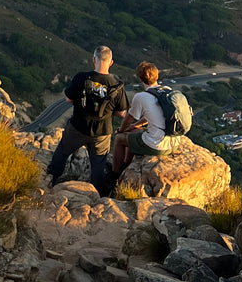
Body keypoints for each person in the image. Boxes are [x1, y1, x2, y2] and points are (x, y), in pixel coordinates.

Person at [46, 46, 128, 196]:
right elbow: (122, 112)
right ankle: (96, 194)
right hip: (102, 133)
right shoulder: (117, 85)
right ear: (111, 63)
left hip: (78, 127)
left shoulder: (81, 77)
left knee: (63, 152)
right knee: (98, 164)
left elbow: (68, 99)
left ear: (94, 60)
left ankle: (50, 178)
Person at [109, 61, 185, 186]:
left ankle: (115, 175)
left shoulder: (141, 97)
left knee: (119, 139)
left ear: (140, 78)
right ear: (157, 76)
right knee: (135, 132)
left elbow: (128, 118)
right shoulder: (167, 91)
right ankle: (127, 165)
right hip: (174, 143)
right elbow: (155, 116)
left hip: (158, 146)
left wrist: (122, 130)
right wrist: (136, 126)